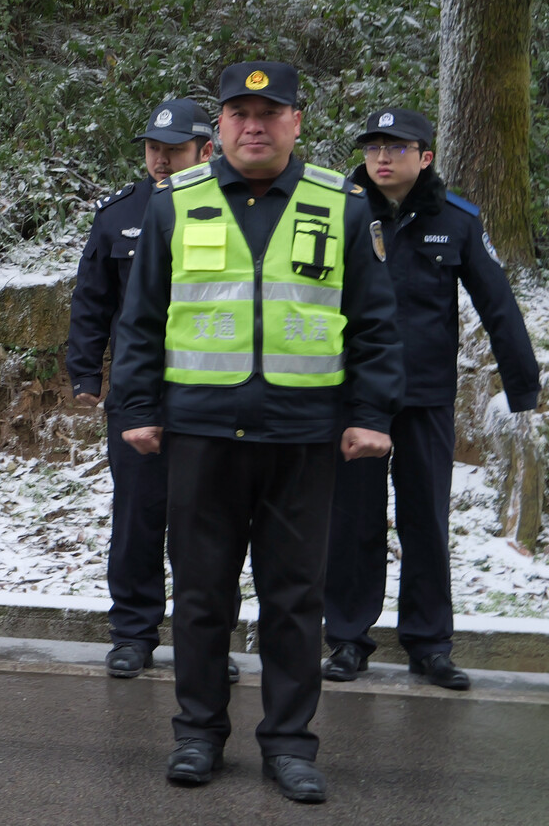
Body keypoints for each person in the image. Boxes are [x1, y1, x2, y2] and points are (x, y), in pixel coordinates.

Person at [110, 62, 400, 804]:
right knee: (201, 593)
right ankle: (198, 734)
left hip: (301, 436)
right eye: (239, 113)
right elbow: (140, 318)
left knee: (295, 597)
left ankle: (290, 745)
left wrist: (370, 415)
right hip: (201, 432)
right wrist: (136, 407)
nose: (254, 126)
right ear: (222, 124)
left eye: (270, 113)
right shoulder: (177, 203)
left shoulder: (341, 205)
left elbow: (374, 325)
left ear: (296, 121)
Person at [323, 108, 539, 690]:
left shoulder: (457, 221)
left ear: (425, 157)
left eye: (397, 147)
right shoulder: (340, 212)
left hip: (425, 398)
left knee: (425, 521)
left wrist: (523, 386)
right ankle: (347, 639)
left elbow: (497, 302)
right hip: (355, 398)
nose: (382, 157)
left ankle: (429, 645)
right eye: (373, 147)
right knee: (353, 522)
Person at [66, 99, 216, 679]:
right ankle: (132, 632)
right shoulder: (119, 214)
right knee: (137, 516)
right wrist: (86, 373)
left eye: (174, 150)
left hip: (208, 389)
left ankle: (204, 641)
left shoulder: (228, 209)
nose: (160, 160)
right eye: (154, 148)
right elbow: (92, 299)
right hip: (137, 390)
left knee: (207, 523)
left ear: (206, 150)